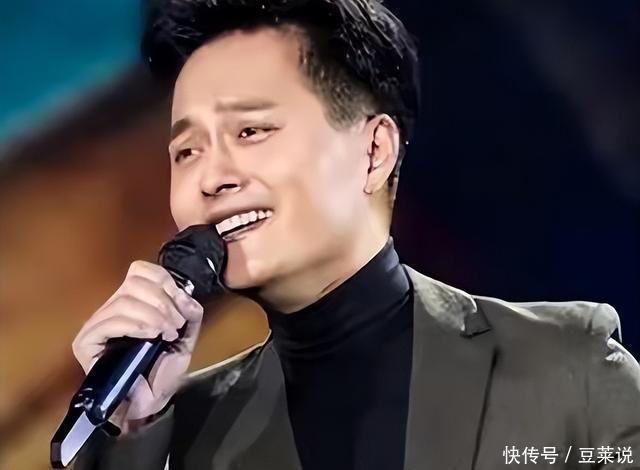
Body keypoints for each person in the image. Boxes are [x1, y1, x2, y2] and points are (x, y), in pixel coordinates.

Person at [68, 0, 640, 469]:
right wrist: (131, 429)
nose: (211, 177)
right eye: (187, 151)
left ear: (374, 151)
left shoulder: (568, 365)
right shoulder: (181, 433)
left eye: (251, 131)